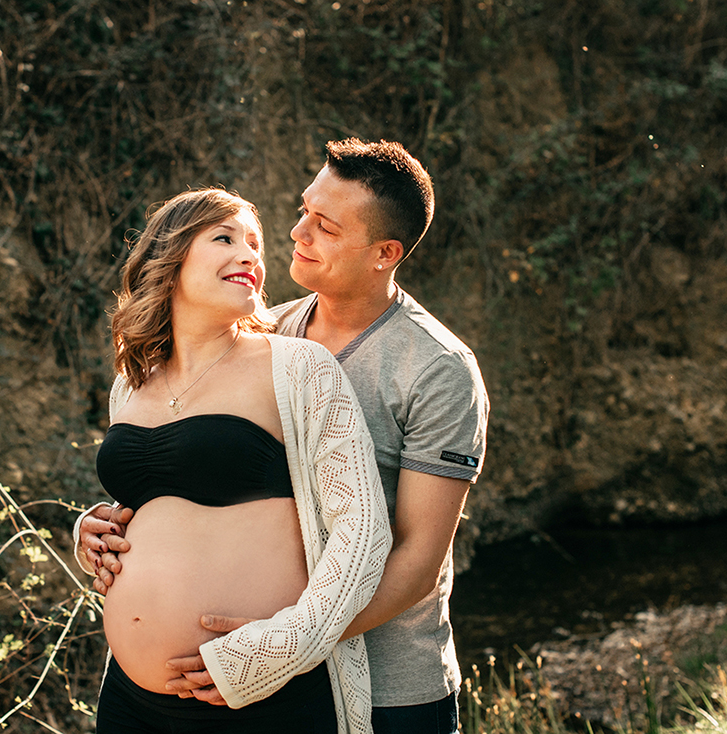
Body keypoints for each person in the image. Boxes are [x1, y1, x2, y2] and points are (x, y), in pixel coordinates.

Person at [78, 139, 489, 734]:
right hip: (198, 685)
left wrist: (281, 646)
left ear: (384, 253)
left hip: (390, 683)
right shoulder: (263, 332)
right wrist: (106, 526)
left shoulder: (436, 368)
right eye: (302, 212)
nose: (297, 234)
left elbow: (416, 560)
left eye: (324, 226)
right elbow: (207, 483)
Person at [86, 187, 392, 734]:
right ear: (171, 257)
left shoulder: (298, 367)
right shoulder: (130, 385)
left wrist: (283, 650)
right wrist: (92, 528)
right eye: (224, 238)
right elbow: (156, 506)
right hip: (130, 701)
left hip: (260, 697)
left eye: (255, 243)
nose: (250, 254)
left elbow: (362, 529)